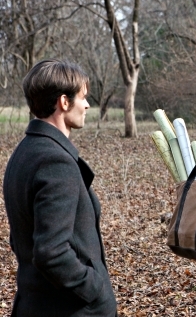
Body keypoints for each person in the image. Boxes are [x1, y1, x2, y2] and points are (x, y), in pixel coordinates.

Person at [3, 59, 117, 316]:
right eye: (83, 97)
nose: (87, 105)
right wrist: (95, 290)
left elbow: (22, 235)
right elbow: (51, 252)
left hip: (35, 303)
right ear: (64, 102)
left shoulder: (23, 153)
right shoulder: (55, 161)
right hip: (67, 308)